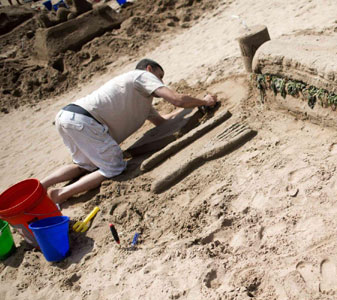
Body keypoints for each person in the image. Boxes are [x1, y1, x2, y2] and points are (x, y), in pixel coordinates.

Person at [41, 58, 217, 204]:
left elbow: (162, 120)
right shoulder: (141, 76)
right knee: (114, 167)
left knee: (84, 165)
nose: (161, 82)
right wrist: (205, 101)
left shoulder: (140, 98)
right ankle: (62, 193)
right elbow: (177, 100)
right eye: (159, 76)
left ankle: (42, 184)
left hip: (68, 116)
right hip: (85, 121)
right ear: (149, 69)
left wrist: (190, 109)